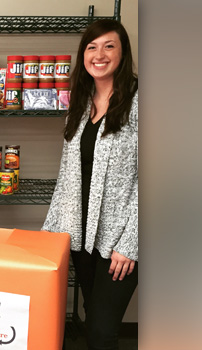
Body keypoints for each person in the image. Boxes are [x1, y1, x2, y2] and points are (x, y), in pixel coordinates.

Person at [41, 19, 138, 350]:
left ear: (123, 54)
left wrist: (132, 243)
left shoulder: (141, 101)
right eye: (92, 47)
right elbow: (68, 176)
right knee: (89, 315)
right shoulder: (79, 103)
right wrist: (51, 234)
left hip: (119, 241)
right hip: (81, 236)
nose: (99, 54)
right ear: (83, 55)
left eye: (109, 46)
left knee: (101, 329)